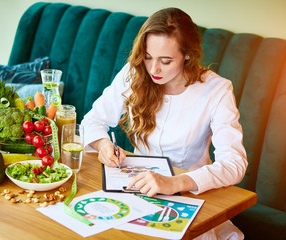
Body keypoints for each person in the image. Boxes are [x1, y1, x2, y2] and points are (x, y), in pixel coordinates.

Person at [81, 7, 247, 240]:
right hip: (133, 189)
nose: (154, 69)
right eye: (148, 57)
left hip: (188, 197)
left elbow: (234, 164)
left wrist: (173, 183)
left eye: (166, 61)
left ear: (187, 55)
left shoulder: (216, 90)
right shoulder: (135, 72)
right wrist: (102, 145)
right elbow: (93, 120)